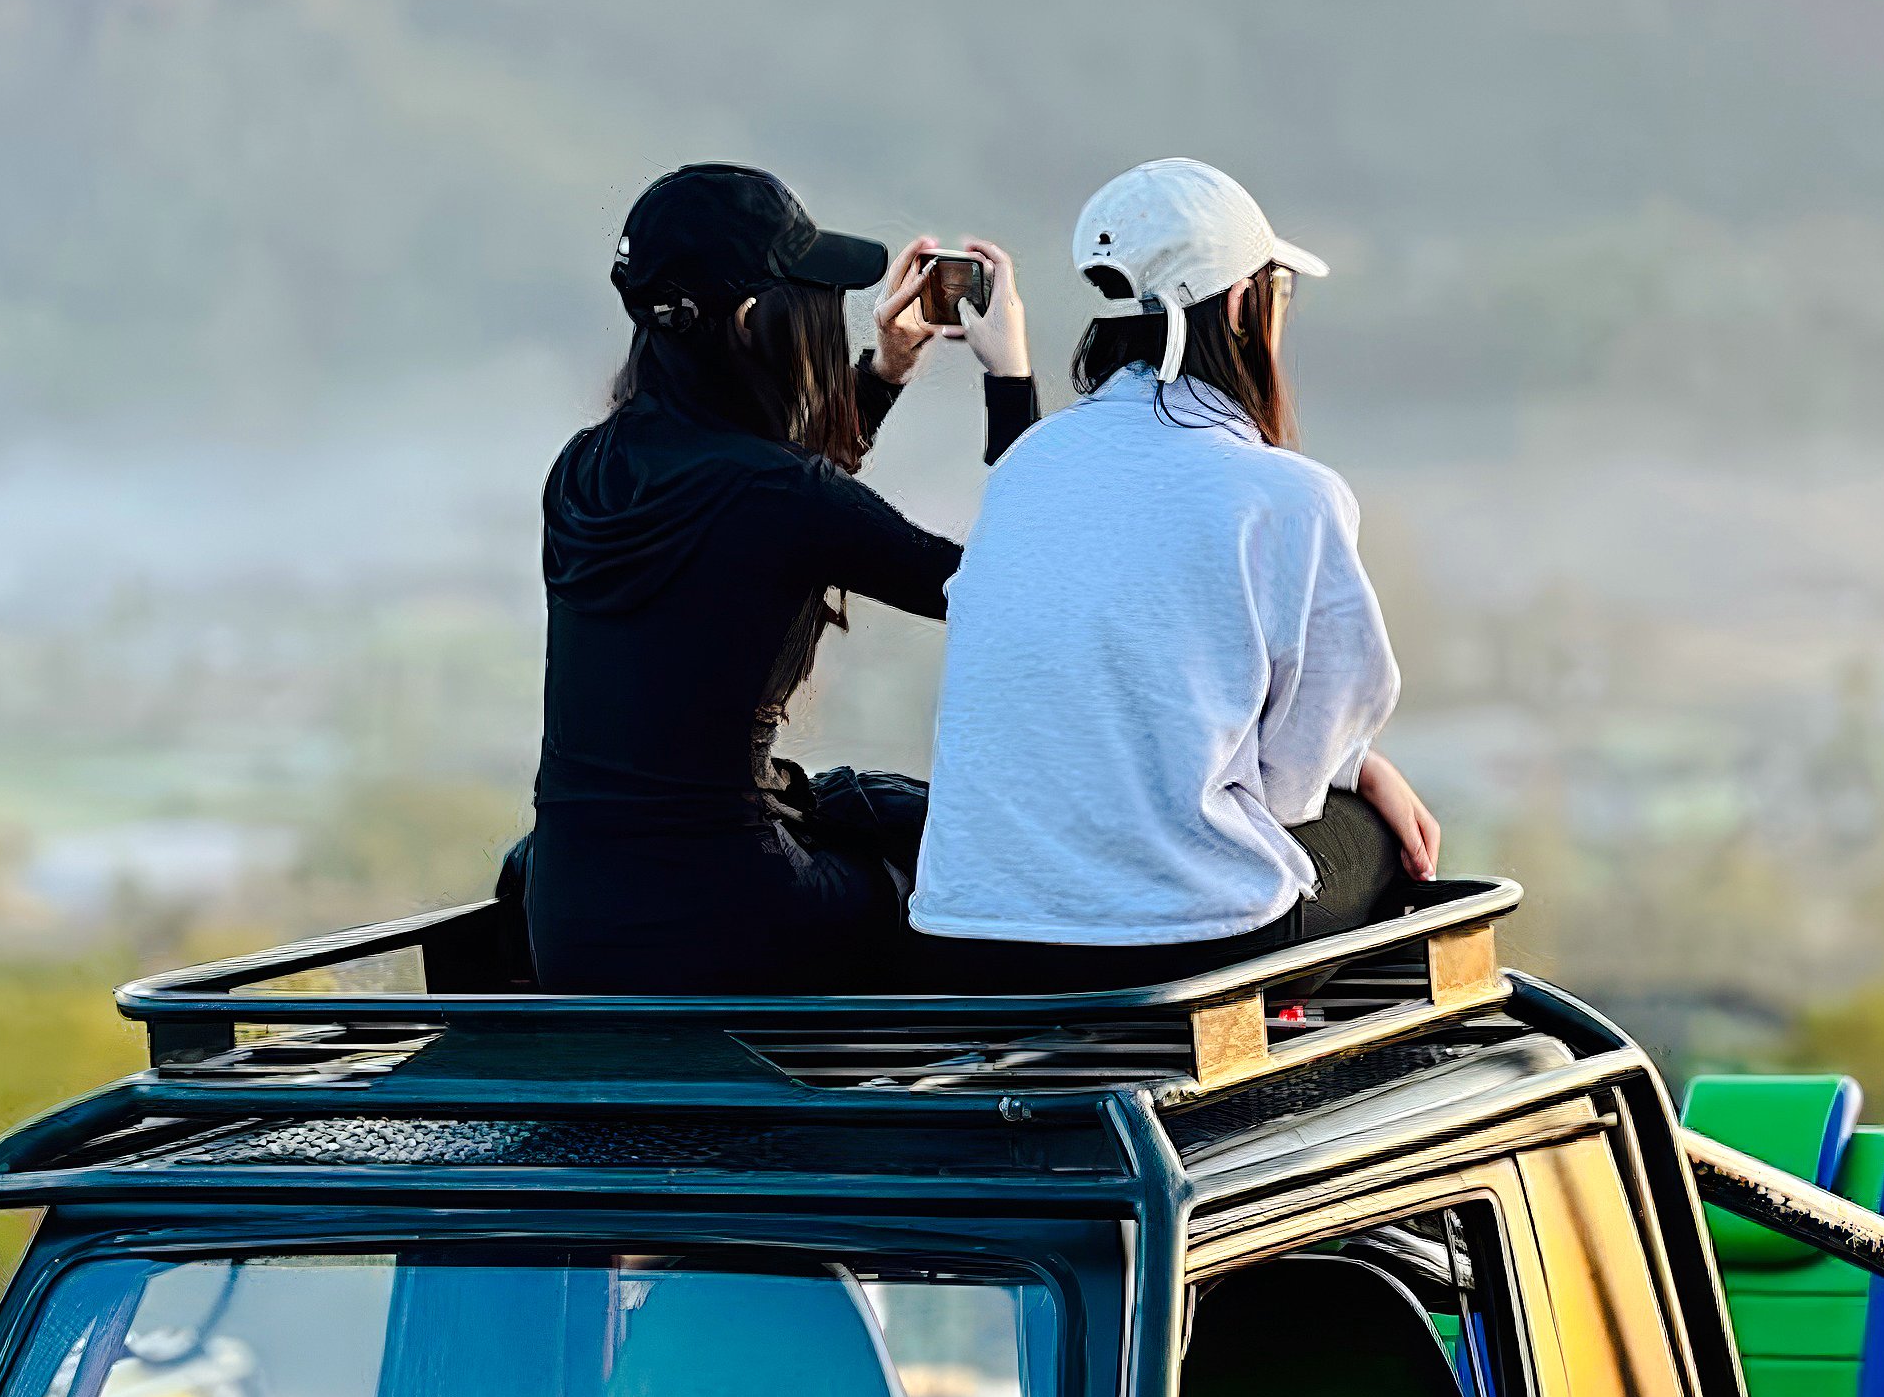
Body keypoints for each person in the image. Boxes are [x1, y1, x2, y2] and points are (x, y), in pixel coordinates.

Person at [909, 158, 1442, 993]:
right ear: (1240, 305)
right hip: (1178, 953)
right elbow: (1295, 780)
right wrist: (1360, 765)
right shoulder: (1288, 496)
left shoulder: (1027, 465)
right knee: (1378, 842)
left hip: (969, 939)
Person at [520, 163, 1038, 994]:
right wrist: (1010, 384)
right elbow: (1014, 593)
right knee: (937, 870)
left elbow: (762, 514)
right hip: (733, 924)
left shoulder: (585, 471)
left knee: (851, 803)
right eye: (813, 295)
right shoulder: (778, 497)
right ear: (759, 318)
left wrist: (886, 372)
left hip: (572, 924)